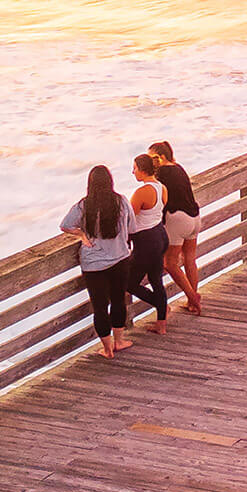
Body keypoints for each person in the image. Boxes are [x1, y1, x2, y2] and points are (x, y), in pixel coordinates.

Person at [60, 165, 134, 357]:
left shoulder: (84, 206)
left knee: (100, 307)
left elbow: (65, 225)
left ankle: (108, 349)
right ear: (110, 182)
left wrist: (81, 234)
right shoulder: (122, 202)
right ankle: (119, 341)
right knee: (118, 301)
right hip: (120, 258)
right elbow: (132, 227)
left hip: (93, 264)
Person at [150, 141, 203, 315]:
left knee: (170, 263)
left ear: (162, 157)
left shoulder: (163, 172)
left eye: (153, 158)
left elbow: (158, 197)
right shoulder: (178, 167)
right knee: (189, 258)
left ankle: (193, 298)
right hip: (194, 218)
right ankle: (192, 301)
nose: (150, 163)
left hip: (178, 219)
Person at [124, 154, 171, 334]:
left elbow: (129, 220)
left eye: (134, 168)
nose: (132, 171)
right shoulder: (162, 188)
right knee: (155, 279)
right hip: (160, 235)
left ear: (142, 170)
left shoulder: (142, 192)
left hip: (146, 242)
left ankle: (161, 306)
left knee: (130, 283)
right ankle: (161, 324)